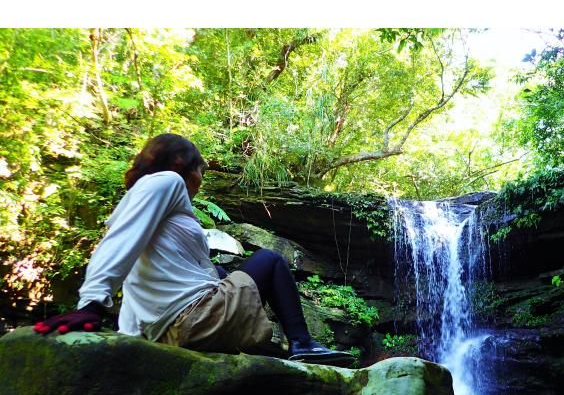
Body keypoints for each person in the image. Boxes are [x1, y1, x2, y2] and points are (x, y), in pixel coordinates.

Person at [33, 133, 355, 366]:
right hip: (195, 319)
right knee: (270, 261)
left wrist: (130, 339)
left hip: (170, 333)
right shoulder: (167, 181)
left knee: (219, 272)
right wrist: (92, 303)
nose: (201, 179)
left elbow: (135, 269)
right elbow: (120, 241)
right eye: (201, 169)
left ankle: (284, 345)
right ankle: (302, 343)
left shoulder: (141, 200)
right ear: (180, 163)